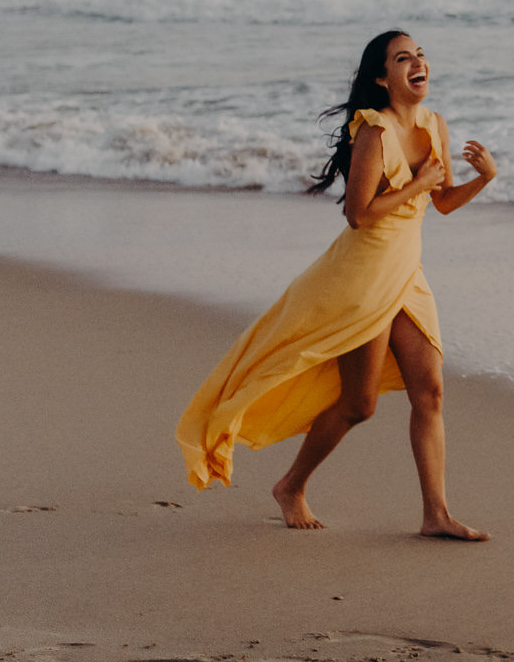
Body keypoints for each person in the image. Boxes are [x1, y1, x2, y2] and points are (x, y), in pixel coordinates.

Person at [176, 29, 495, 540]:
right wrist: (415, 184)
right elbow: (359, 214)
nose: (418, 63)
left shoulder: (436, 124)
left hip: (407, 274)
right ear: (381, 77)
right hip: (363, 278)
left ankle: (435, 513)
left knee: (430, 392)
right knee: (358, 405)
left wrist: (485, 178)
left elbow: (442, 200)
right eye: (402, 58)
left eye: (420, 54)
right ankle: (291, 485)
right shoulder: (373, 130)